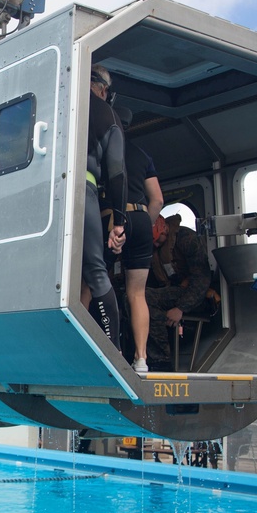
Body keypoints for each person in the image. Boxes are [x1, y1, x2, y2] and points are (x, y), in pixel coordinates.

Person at [112, 107, 163, 373]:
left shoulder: (105, 148)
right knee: (137, 293)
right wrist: (146, 222)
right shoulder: (143, 155)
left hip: (114, 218)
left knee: (91, 283)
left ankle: (110, 349)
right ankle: (141, 360)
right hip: (143, 219)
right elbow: (158, 199)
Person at [81, 65, 127, 350]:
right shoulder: (107, 115)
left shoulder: (59, 99)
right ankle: (114, 352)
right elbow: (117, 172)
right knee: (95, 272)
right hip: (82, 189)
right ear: (100, 87)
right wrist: (118, 221)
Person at [144, 213, 216, 370]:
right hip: (172, 293)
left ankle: (160, 361)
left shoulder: (186, 238)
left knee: (145, 297)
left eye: (157, 240)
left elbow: (201, 278)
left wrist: (181, 308)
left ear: (164, 230)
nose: (155, 245)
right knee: (133, 298)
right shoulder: (154, 248)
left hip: (197, 297)